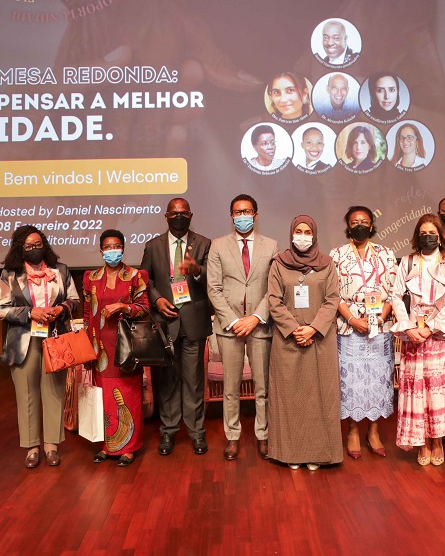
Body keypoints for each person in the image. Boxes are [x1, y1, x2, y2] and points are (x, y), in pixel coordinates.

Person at [0, 225, 80, 468]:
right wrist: (30, 312)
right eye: (29, 246)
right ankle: (32, 447)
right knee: (26, 394)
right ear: (20, 249)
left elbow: (74, 299)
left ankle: (52, 446)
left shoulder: (60, 270)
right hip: (23, 340)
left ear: (45, 245)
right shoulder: (10, 274)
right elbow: (0, 309)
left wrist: (61, 308)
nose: (34, 249)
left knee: (53, 391)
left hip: (55, 337)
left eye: (38, 245)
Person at [267, 215, 343, 470]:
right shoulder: (279, 264)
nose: (302, 236)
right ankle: (290, 454)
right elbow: (274, 300)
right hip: (287, 341)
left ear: (314, 235)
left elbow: (332, 299)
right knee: (290, 399)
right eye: (298, 231)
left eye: (307, 231)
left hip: (320, 340)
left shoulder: (327, 264)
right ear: (291, 234)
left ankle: (318, 454)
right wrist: (294, 329)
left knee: (320, 398)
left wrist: (313, 328)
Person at [206, 195, 279, 461]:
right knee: (231, 387)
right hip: (229, 328)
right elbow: (213, 288)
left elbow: (274, 288)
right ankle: (233, 437)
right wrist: (235, 321)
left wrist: (256, 317)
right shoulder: (217, 246)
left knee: (263, 387)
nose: (242, 216)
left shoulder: (271, 245)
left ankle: (263, 435)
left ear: (256, 215)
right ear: (231, 216)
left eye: (247, 211)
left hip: (260, 326)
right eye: (237, 212)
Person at [140, 198, 212, 456]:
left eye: (183, 213)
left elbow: (213, 277)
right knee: (168, 381)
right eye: (174, 214)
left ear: (190, 215)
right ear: (166, 217)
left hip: (194, 321)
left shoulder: (204, 243)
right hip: (165, 321)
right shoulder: (153, 246)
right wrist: (157, 300)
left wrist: (197, 270)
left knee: (194, 381)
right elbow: (145, 280)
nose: (179, 217)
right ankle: (168, 431)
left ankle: (196, 433)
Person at [391, 214, 445, 466]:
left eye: (432, 233)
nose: (427, 237)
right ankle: (421, 443)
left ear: (440, 236)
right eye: (423, 233)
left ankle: (437, 441)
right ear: (417, 236)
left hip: (439, 336)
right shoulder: (408, 261)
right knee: (417, 391)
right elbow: (396, 296)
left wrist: (430, 328)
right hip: (413, 337)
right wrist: (408, 326)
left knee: (437, 391)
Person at [329, 206, 398, 459]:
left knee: (378, 378)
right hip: (348, 325)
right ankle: (353, 430)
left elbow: (394, 292)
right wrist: (352, 319)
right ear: (348, 226)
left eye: (364, 221)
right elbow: (333, 293)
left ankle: (374, 430)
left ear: (371, 225)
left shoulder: (386, 253)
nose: (360, 225)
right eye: (354, 222)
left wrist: (379, 318)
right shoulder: (337, 254)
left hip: (380, 324)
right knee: (351, 380)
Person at [82, 229, 150, 466]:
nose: (113, 251)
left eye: (117, 246)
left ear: (123, 248)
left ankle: (127, 448)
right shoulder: (90, 277)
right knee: (103, 398)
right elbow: (87, 312)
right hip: (99, 349)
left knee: (127, 397)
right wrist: (86, 346)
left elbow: (145, 308)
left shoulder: (135, 276)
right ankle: (106, 446)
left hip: (126, 348)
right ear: (101, 250)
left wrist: (124, 307)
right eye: (108, 247)